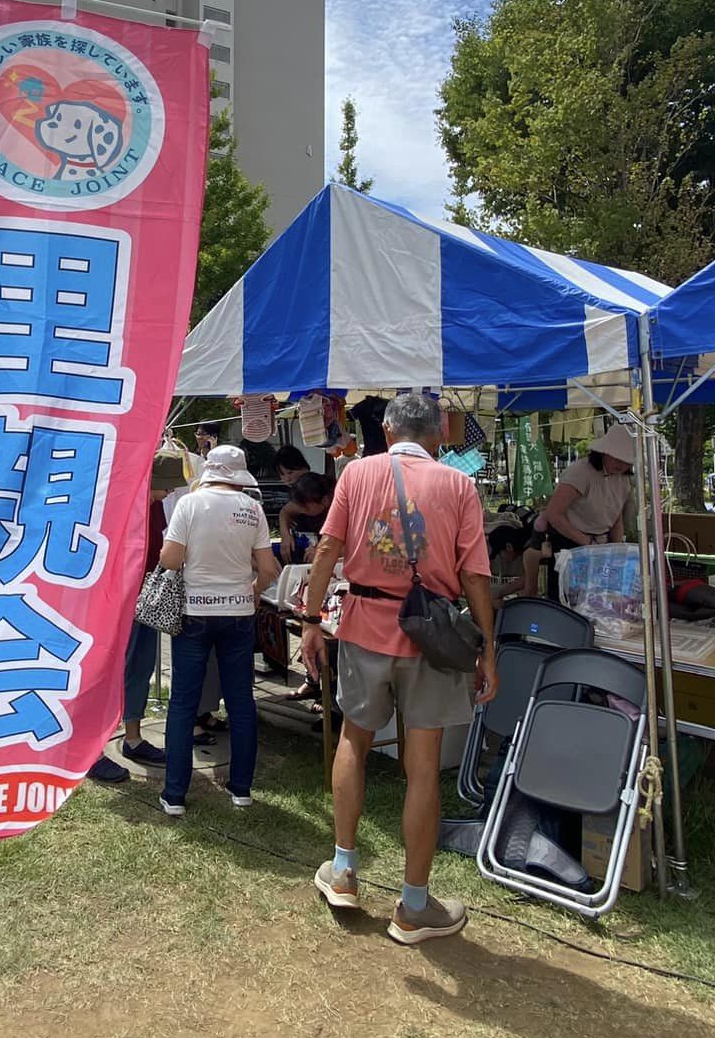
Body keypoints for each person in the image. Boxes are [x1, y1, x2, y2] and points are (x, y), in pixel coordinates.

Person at [301, 391, 498, 944]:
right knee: (423, 764)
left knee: (353, 741)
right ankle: (413, 905)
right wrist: (487, 650)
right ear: (438, 434)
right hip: (431, 637)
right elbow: (477, 578)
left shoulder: (356, 474)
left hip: (364, 624)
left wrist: (311, 619)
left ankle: (343, 871)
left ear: (386, 431)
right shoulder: (460, 486)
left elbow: (326, 550)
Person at [157, 446, 277, 815]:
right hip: (239, 612)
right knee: (241, 700)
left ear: (208, 471)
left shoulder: (189, 505)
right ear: (239, 475)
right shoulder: (252, 508)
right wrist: (253, 592)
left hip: (194, 611)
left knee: (183, 702)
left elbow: (170, 559)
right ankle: (241, 788)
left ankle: (175, 794)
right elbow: (269, 568)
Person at [92, 475, 173, 782]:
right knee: (104, 674)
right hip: (113, 598)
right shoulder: (118, 498)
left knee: (140, 666)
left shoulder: (155, 505)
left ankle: (133, 737)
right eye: (167, 484)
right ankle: (93, 750)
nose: (170, 491)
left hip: (146, 596)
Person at [533, 425, 636, 548]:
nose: (621, 464)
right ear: (604, 453)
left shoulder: (623, 479)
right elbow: (553, 514)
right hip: (569, 541)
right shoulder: (580, 472)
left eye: (626, 460)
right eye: (617, 457)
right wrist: (588, 543)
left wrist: (616, 548)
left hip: (600, 541)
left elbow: (615, 517)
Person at [277, 471, 333, 564]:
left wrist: (321, 550)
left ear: (325, 501)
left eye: (304, 508)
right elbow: (285, 512)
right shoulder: (305, 499)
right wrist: (285, 535)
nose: (300, 511)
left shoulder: (339, 506)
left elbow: (347, 543)